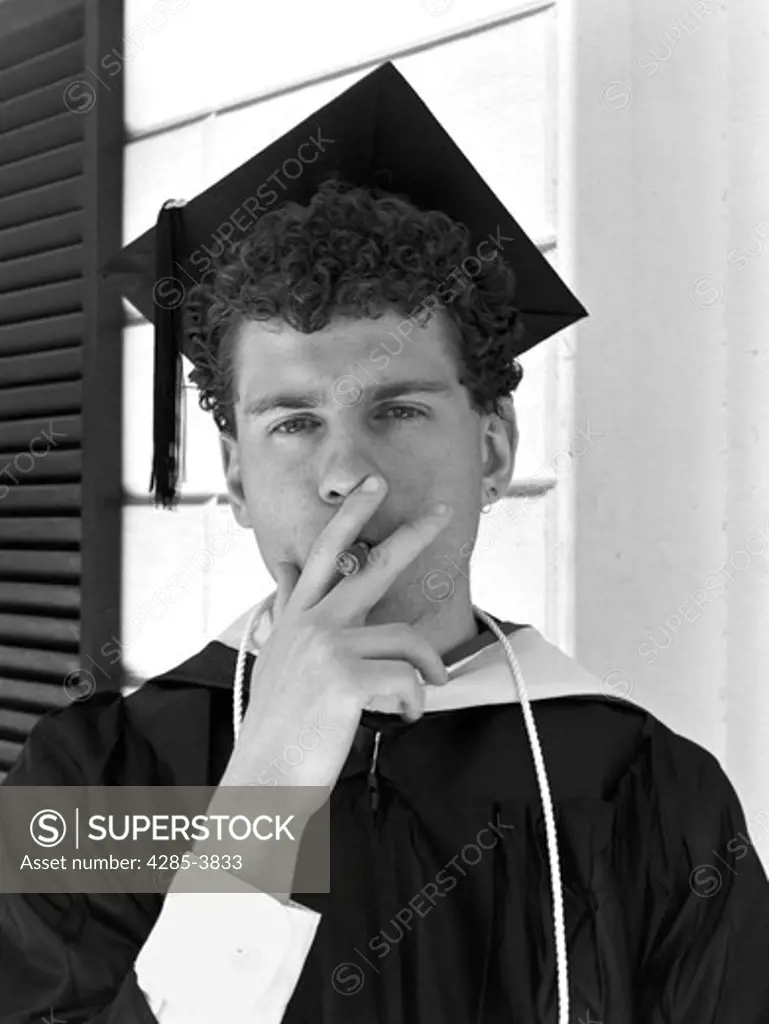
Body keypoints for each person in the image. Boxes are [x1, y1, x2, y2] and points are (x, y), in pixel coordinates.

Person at [1, 62, 768, 1024]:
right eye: (291, 422)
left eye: (397, 409)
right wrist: (267, 786)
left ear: (494, 449)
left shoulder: (651, 794)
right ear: (234, 477)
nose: (344, 474)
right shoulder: (98, 784)